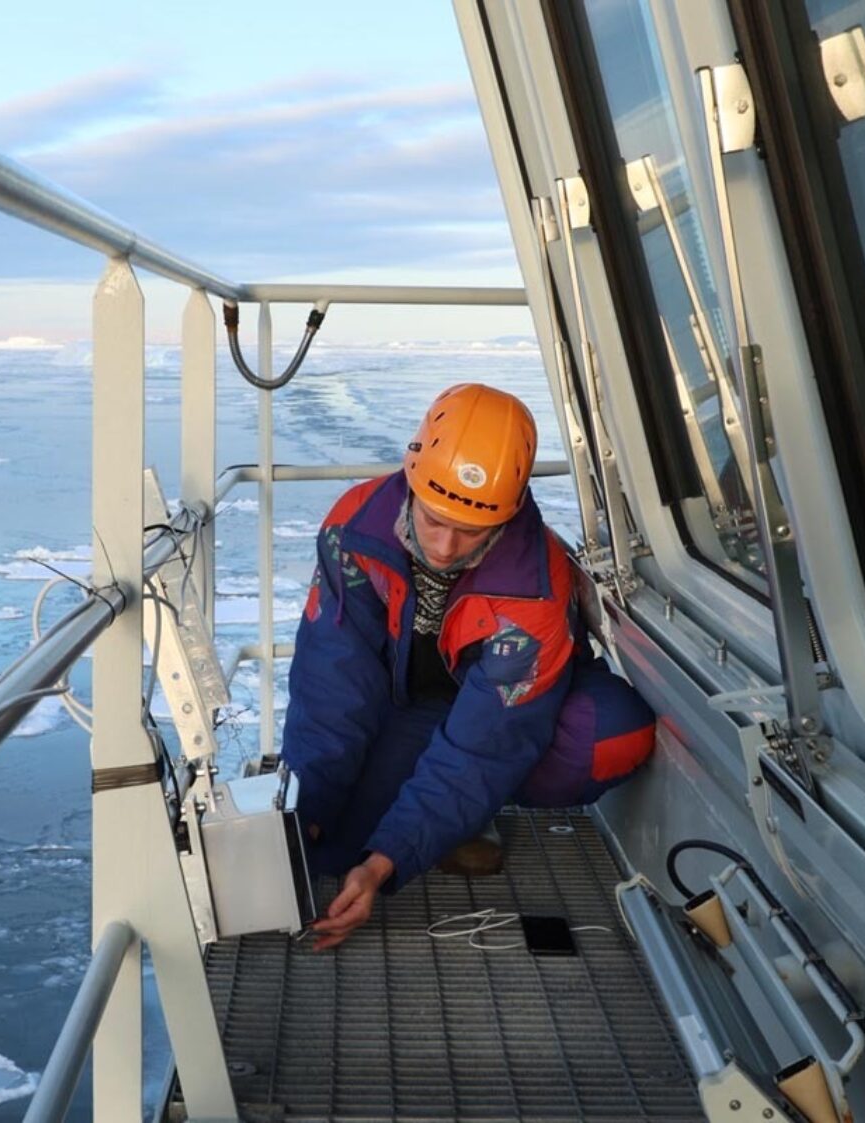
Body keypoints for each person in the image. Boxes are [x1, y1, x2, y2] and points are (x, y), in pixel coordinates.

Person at [281, 383, 657, 950]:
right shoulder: (353, 529)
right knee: (329, 843)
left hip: (495, 718)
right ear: (410, 475)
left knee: (611, 734)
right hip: (407, 706)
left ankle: (460, 812)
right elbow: (331, 685)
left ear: (508, 514)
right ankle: (441, 812)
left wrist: (384, 866)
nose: (447, 546)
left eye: (472, 530)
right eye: (434, 520)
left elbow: (490, 744)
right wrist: (303, 813)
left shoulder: (536, 588)